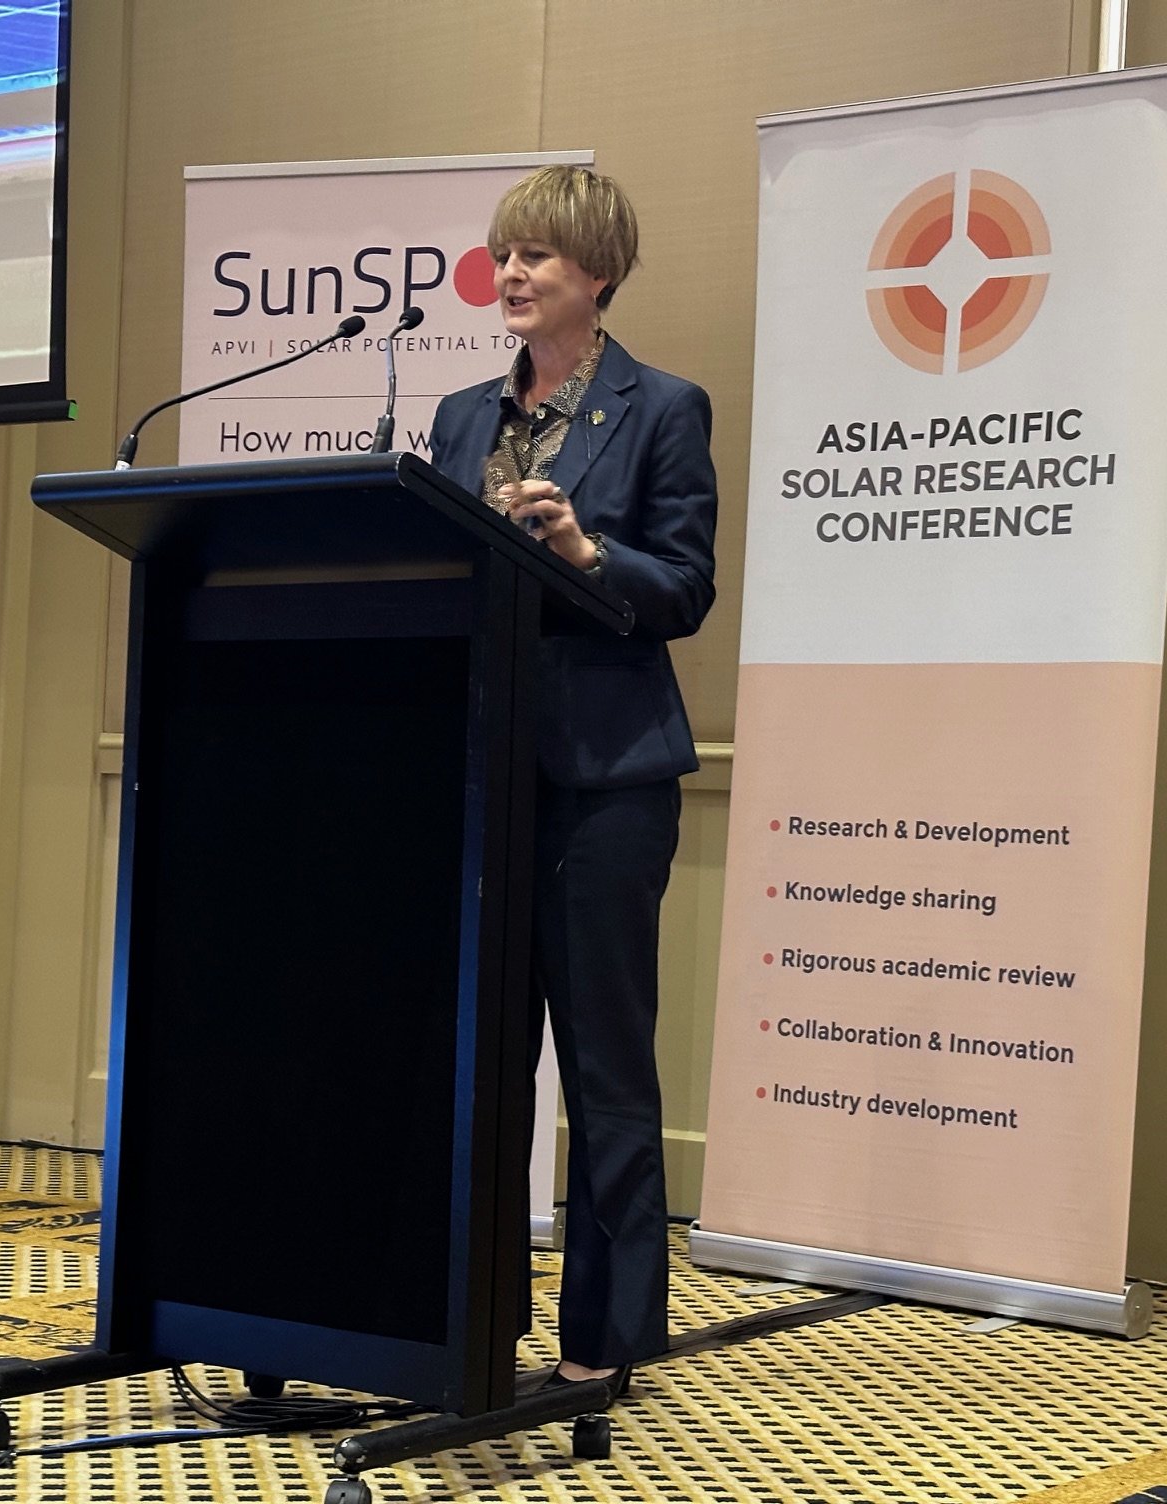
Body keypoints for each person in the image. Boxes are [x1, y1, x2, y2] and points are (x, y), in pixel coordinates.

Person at [427, 165, 717, 1392]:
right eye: (504, 253)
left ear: (596, 274)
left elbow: (687, 588)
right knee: (478, 1062)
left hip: (606, 783)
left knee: (602, 1061)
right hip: (484, 776)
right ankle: (470, 1318)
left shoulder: (660, 408)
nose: (513, 272)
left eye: (538, 255)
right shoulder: (458, 416)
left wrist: (590, 551)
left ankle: (604, 1342)